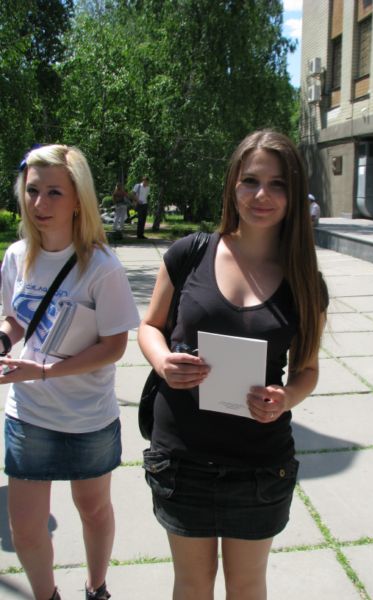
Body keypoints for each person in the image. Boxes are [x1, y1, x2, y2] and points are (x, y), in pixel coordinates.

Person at [138, 129, 328, 599]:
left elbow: (307, 370)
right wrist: (163, 361)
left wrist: (285, 398)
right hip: (181, 457)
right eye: (251, 181)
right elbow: (150, 327)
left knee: (246, 586)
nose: (262, 195)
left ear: (295, 193)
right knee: (192, 584)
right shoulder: (190, 253)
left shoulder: (305, 281)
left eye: (278, 184)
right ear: (232, 185)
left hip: (259, 465)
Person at [0, 144, 140, 600]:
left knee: (93, 510)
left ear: (78, 199)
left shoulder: (101, 266)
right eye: (32, 191)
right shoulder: (16, 256)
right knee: (25, 528)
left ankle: (96, 587)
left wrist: (43, 370)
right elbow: (17, 317)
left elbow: (114, 345)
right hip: (28, 414)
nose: (39, 204)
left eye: (54, 192)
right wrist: (2, 339)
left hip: (87, 416)